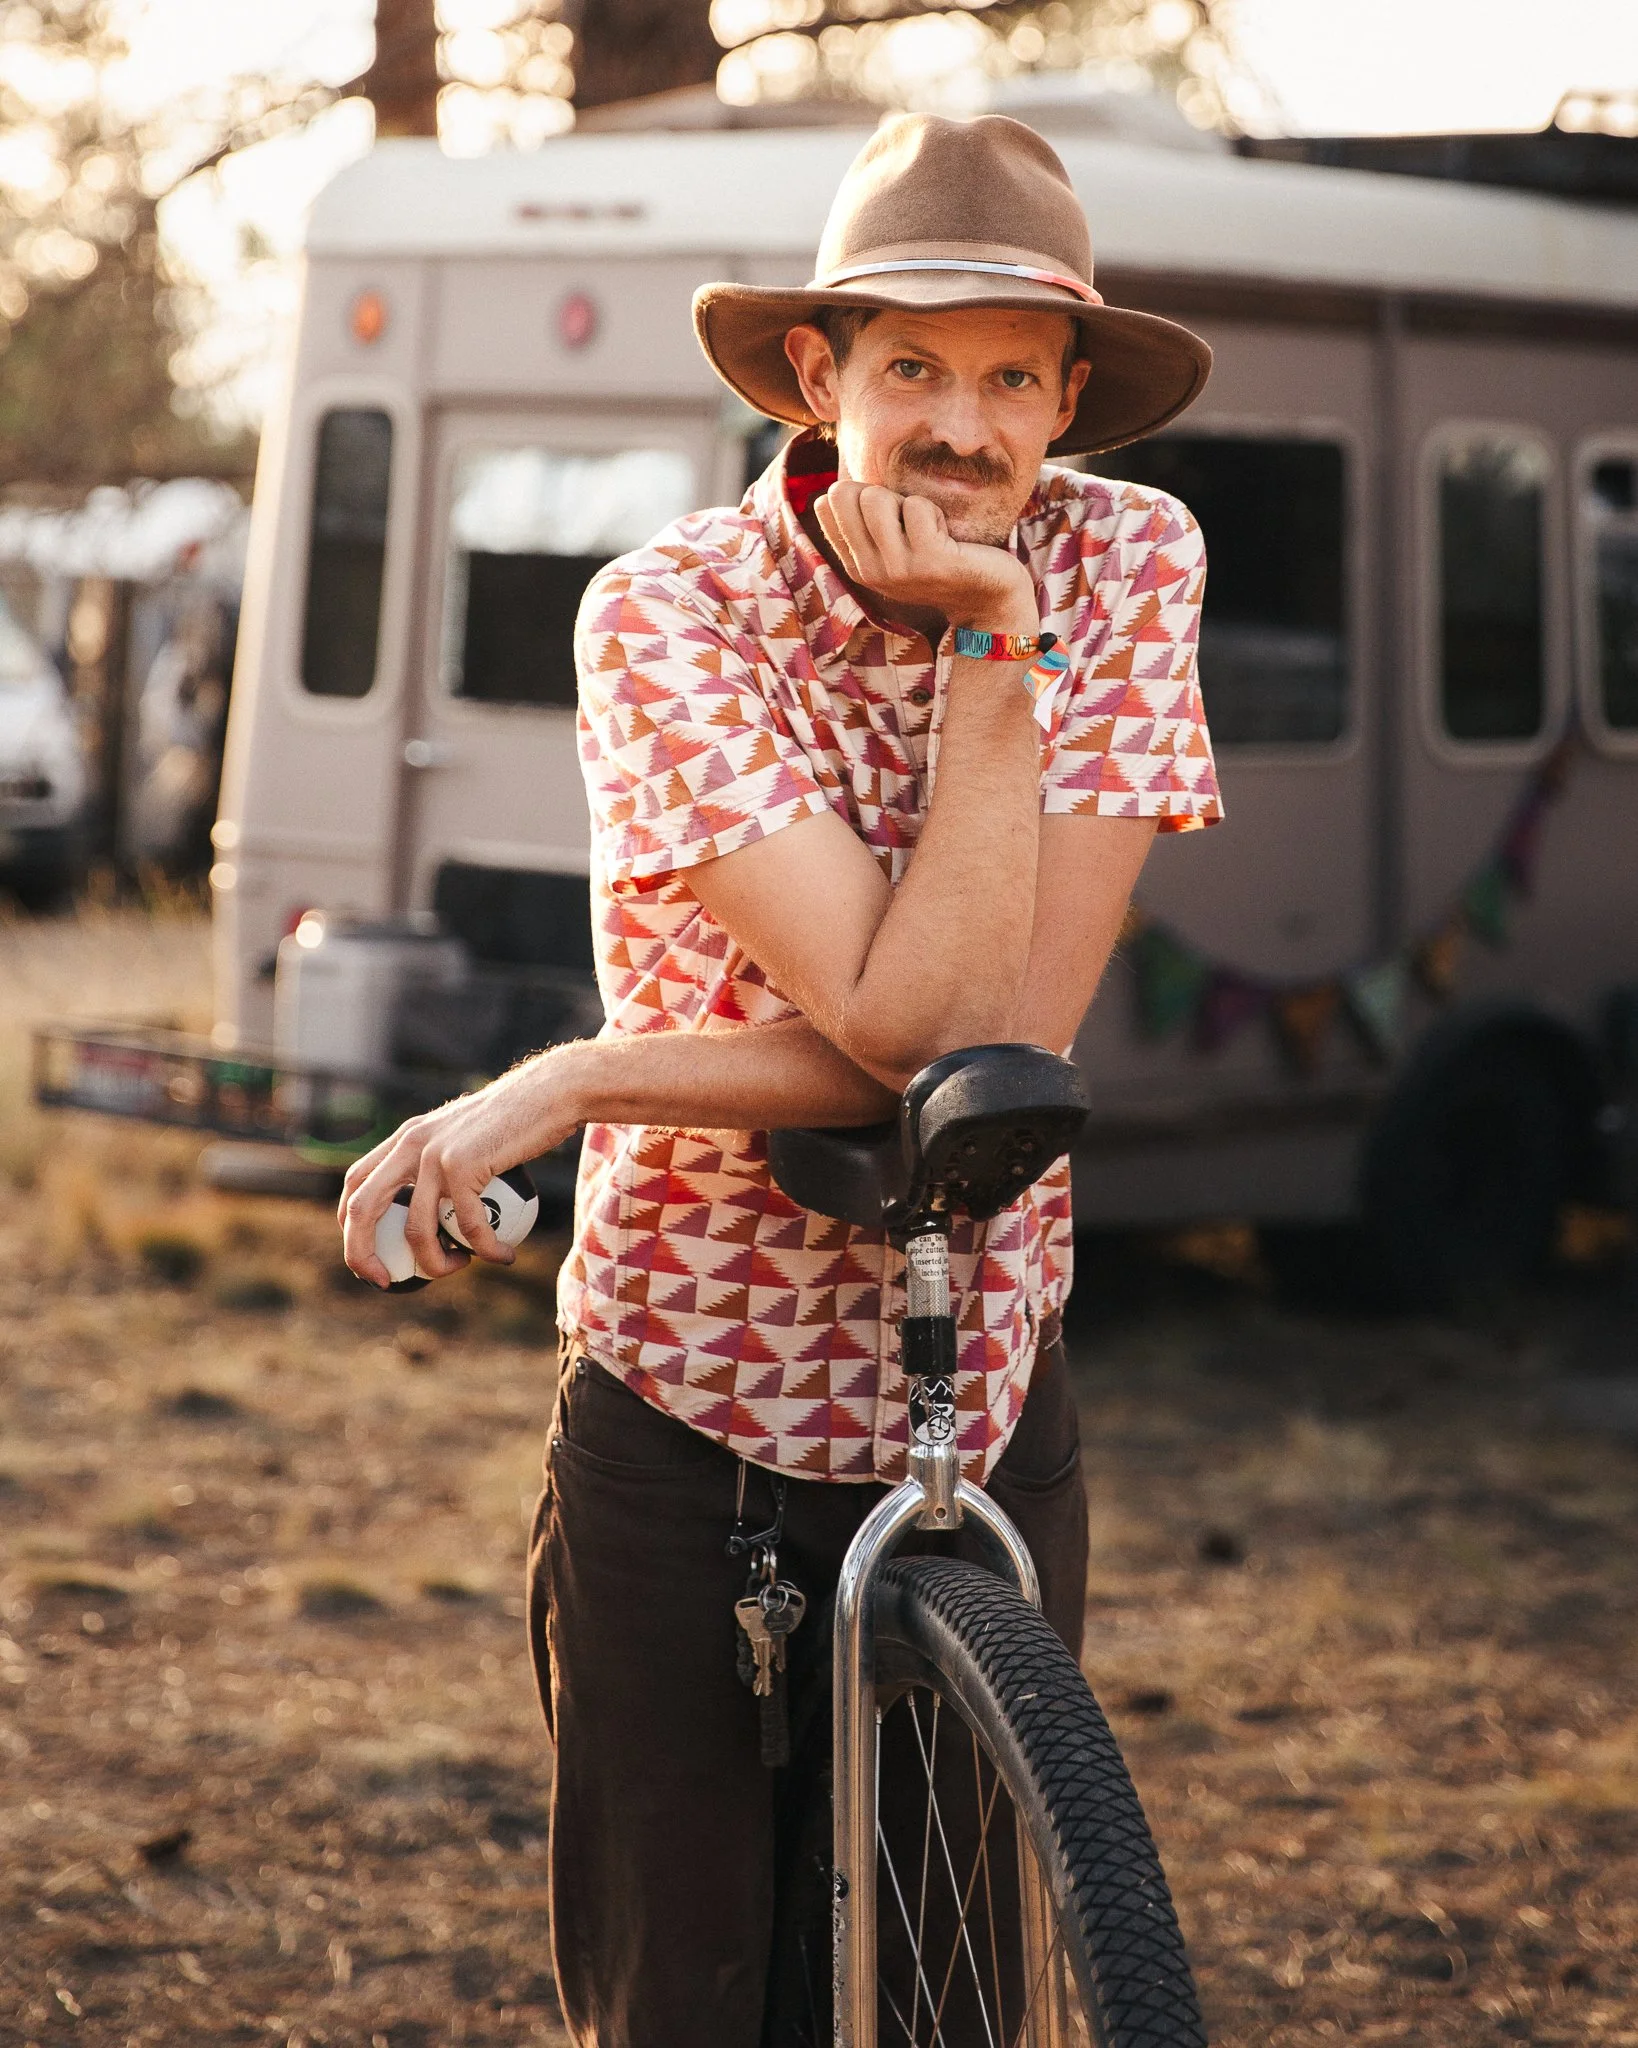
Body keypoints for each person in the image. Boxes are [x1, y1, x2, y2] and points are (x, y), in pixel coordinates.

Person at [341, 112, 1221, 2048]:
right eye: (914, 363)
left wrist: (582, 1072)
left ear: (1076, 395)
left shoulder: (1129, 555)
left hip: (981, 1365)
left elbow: (989, 1038)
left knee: (961, 1984)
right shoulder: (670, 611)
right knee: (687, 1983)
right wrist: (1010, 669)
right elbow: (907, 1032)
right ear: (820, 375)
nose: (967, 429)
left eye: (1014, 377)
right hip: (690, 1376)